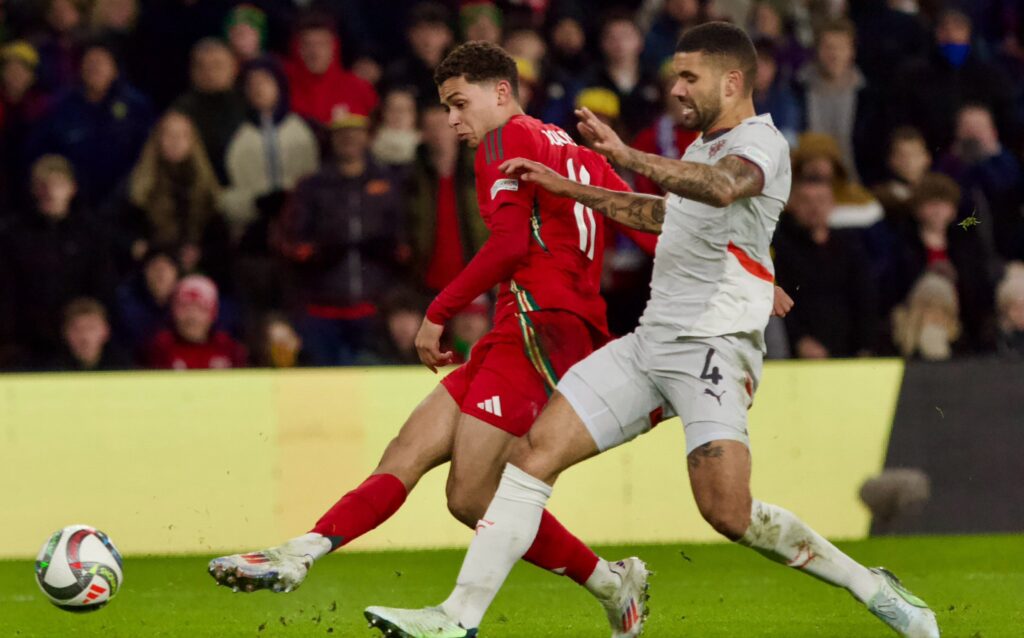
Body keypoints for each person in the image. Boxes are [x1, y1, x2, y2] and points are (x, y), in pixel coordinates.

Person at [364, 23, 940, 638]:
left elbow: (720, 191)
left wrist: (623, 156)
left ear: (733, 80)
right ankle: (459, 618)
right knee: (533, 456)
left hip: (714, 349)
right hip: (649, 342)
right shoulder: (698, 149)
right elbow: (664, 215)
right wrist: (572, 187)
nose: (677, 87)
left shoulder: (762, 143)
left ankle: (870, 585)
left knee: (727, 511)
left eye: (690, 76)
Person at [207, 41, 686, 638]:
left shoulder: (503, 141)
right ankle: (300, 552)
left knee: (470, 495)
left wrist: (437, 312)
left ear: (502, 92)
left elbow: (510, 245)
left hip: (542, 328)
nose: (452, 120)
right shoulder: (572, 148)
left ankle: (599, 587)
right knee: (406, 453)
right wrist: (741, 272)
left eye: (460, 104)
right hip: (525, 329)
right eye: (446, 108)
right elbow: (645, 224)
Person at [273, 112, 407, 366]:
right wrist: (317, 254)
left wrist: (388, 253)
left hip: (374, 307)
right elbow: (289, 241)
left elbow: (404, 240)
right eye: (342, 133)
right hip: (320, 311)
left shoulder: (387, 183)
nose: (350, 139)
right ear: (332, 139)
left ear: (368, 137)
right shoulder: (311, 186)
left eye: (356, 132)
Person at [0, 155, 115, 369]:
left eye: (58, 184)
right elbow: (8, 289)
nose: (51, 192)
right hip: (27, 340)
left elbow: (101, 284)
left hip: (77, 339)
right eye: (43, 185)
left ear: (72, 188)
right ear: (34, 190)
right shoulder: (14, 234)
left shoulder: (89, 233)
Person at [27, 39, 154, 207]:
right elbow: (40, 151)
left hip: (124, 200)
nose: (95, 68)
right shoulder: (60, 106)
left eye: (101, 63)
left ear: (115, 69)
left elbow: (146, 154)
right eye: (90, 62)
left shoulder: (136, 107)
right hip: (70, 201)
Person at [773, 178, 877, 358]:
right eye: (806, 201)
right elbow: (777, 299)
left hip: (849, 353)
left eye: (821, 200)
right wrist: (799, 340)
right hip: (795, 355)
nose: (814, 208)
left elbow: (865, 298)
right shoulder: (780, 248)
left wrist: (865, 345)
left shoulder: (850, 246)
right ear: (791, 204)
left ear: (832, 204)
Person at [221, 57, 319, 238]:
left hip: (301, 226)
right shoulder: (234, 135)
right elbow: (223, 194)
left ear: (279, 85)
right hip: (252, 230)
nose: (258, 89)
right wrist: (255, 203)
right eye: (252, 83)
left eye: (265, 81)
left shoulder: (304, 129)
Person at [172, 39, 247, 185]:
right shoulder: (180, 111)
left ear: (234, 67)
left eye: (217, 66)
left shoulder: (249, 104)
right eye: (200, 66)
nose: (209, 72)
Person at [283, 11, 378, 127]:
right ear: (297, 49)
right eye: (307, 45)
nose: (315, 52)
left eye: (322, 44)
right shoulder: (282, 91)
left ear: (334, 47)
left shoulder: (359, 89)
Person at [146, 274, 247, 369]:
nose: (192, 317)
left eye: (201, 309)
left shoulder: (229, 349)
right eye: (185, 308)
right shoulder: (159, 348)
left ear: (213, 314)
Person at [52, 297, 132, 371]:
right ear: (65, 333)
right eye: (77, 329)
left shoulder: (123, 368)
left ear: (105, 331)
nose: (84, 336)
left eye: (91, 328)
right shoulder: (51, 370)